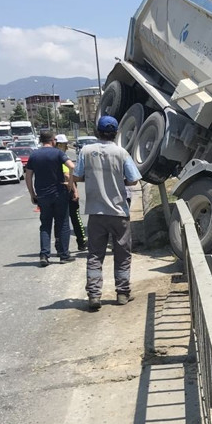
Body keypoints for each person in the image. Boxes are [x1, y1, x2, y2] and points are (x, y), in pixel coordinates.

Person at [72, 116, 142, 310]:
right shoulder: (121, 153)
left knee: (95, 255)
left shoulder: (86, 151)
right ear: (116, 133)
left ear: (98, 132)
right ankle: (122, 293)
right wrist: (118, 181)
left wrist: (92, 178)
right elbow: (133, 180)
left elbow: (76, 176)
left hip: (96, 212)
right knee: (122, 254)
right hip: (119, 212)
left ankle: (94, 295)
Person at [26, 130, 75, 266]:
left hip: (42, 195)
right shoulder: (58, 153)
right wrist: (70, 184)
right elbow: (72, 166)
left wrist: (32, 194)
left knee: (45, 224)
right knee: (63, 224)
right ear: (53, 140)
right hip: (59, 193)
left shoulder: (34, 155)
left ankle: (44, 255)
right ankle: (64, 255)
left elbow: (28, 176)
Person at [54, 134, 87, 251]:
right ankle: (81, 242)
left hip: (56, 192)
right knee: (75, 217)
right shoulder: (61, 157)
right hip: (67, 190)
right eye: (65, 145)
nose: (67, 147)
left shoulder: (52, 156)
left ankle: (59, 245)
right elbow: (67, 176)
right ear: (58, 145)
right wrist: (75, 191)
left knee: (59, 220)